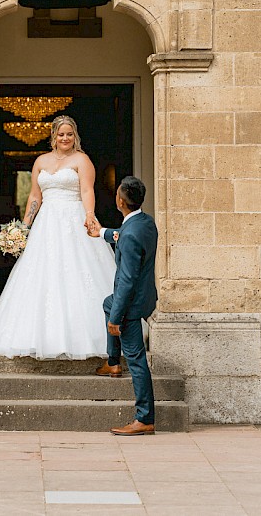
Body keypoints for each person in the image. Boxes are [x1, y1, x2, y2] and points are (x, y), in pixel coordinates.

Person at [0, 115, 117, 359]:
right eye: (60, 134)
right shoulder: (41, 161)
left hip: (73, 218)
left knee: (77, 272)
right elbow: (35, 196)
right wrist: (24, 226)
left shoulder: (82, 160)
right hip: (46, 222)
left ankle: (86, 339)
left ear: (74, 136)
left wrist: (89, 215)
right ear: (53, 136)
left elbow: (87, 189)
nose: (65, 138)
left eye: (69, 134)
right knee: (41, 273)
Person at [89, 176, 158, 435]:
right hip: (144, 298)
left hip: (129, 304)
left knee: (138, 360)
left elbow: (127, 280)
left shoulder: (129, 235)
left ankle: (144, 418)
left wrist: (116, 318)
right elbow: (124, 235)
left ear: (120, 201)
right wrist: (102, 233)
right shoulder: (145, 223)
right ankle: (112, 360)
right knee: (107, 303)